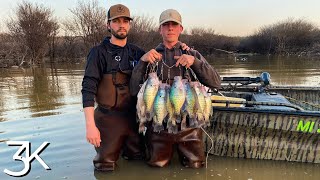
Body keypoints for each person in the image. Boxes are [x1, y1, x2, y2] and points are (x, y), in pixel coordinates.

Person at [130, 9, 221, 168]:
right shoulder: (150, 56)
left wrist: (195, 63)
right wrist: (142, 62)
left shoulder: (192, 53)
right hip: (159, 127)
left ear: (181, 29)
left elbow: (216, 83)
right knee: (156, 168)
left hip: (190, 128)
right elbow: (133, 90)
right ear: (160, 29)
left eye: (174, 25)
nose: (170, 28)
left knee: (196, 168)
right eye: (166, 25)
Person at [81, 4, 146, 171]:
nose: (121, 24)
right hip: (107, 120)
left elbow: (162, 62)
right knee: (105, 166)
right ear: (108, 25)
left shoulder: (138, 53)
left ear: (130, 24)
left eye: (125, 21)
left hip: (135, 119)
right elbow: (88, 88)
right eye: (116, 21)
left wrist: (185, 51)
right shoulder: (98, 53)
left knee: (139, 161)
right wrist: (90, 126)